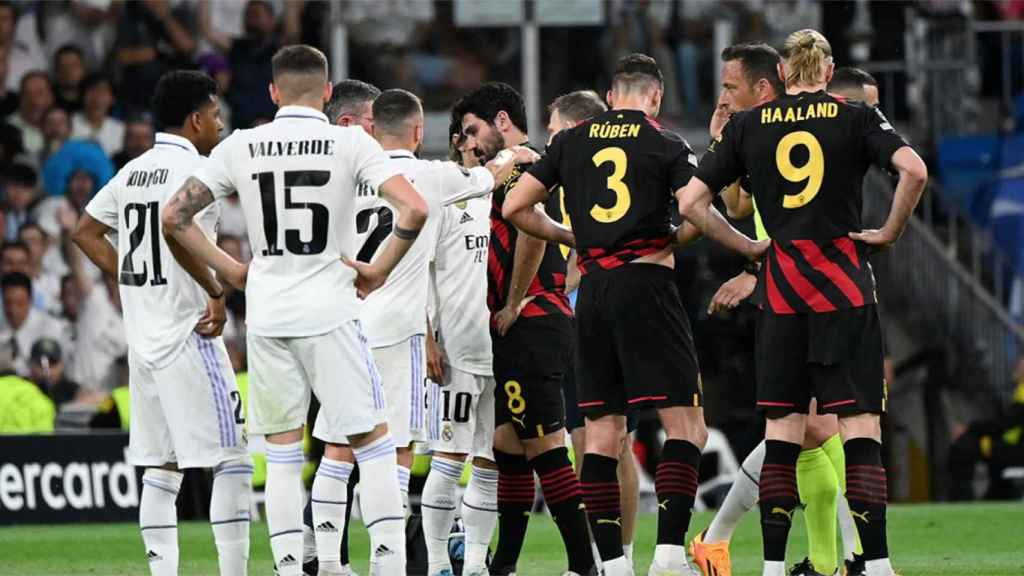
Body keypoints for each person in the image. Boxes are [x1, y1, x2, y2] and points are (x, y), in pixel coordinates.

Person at [160, 45, 427, 576]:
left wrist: (233, 272)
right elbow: (413, 208)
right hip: (330, 311)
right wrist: (379, 269)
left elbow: (175, 216)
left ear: (273, 92)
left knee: (282, 454)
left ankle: (288, 568)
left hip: (269, 314)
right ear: (328, 93)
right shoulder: (349, 141)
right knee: (374, 442)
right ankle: (389, 565)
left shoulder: (242, 145)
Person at [676, 29, 928, 576]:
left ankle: (771, 566)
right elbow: (914, 170)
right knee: (860, 432)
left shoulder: (748, 124)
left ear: (784, 74)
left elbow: (692, 201)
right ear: (829, 68)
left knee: (783, 437)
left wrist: (747, 249)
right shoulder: (854, 117)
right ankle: (877, 565)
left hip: (783, 294)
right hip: (843, 288)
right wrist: (887, 231)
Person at [505, 54, 706, 576]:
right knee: (685, 426)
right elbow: (695, 209)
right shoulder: (666, 141)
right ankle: (666, 555)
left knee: (599, 435)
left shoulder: (570, 144)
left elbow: (515, 209)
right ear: (655, 97)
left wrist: (570, 237)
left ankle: (611, 565)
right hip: (648, 285)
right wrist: (680, 237)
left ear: (611, 96)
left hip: (590, 292)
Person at [692, 44, 864, 576]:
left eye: (729, 87)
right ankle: (843, 559)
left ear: (765, 88)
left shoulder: (777, 128)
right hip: (794, 290)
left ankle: (839, 559)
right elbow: (745, 206)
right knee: (812, 430)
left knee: (812, 430)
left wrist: (751, 268)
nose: (722, 96)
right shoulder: (763, 130)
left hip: (801, 288)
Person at [72, 70, 252, 576]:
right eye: (215, 115)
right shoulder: (198, 172)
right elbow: (176, 233)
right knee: (234, 457)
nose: (219, 124)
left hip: (144, 341)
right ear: (196, 120)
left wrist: (129, 276)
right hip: (189, 332)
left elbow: (85, 232)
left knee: (163, 468)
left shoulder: (134, 171)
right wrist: (216, 290)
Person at [453, 82, 593, 576]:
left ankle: (584, 565)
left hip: (529, 326)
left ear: (502, 121)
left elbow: (530, 229)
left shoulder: (519, 165)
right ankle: (504, 566)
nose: (468, 141)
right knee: (509, 449)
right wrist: (560, 286)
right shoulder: (532, 167)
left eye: (474, 130)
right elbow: (573, 245)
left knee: (545, 448)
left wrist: (515, 301)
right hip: (537, 322)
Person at [543, 89, 643, 570]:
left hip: (590, 318)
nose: (549, 138)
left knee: (599, 442)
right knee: (606, 443)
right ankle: (609, 558)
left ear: (575, 129)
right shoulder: (573, 179)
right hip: (602, 318)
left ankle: (610, 559)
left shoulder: (575, 179)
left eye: (554, 129)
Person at [0, 271, 67, 376]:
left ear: (30, 300)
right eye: (8, 302)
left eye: (20, 303)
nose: (13, 310)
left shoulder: (50, 328)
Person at [71, 73, 126, 157]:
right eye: (92, 91)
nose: (96, 98)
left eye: (102, 92)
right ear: (82, 95)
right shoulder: (69, 123)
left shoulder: (120, 129)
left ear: (112, 99)